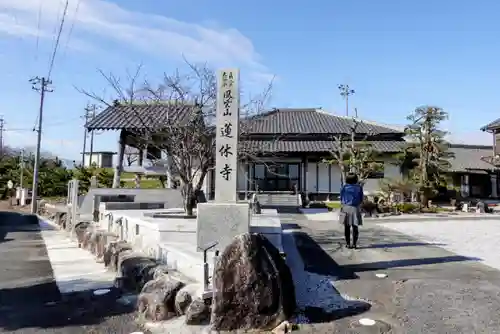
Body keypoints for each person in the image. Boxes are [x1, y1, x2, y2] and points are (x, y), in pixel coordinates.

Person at [339, 173, 364, 249]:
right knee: (355, 227)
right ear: (356, 179)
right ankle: (354, 244)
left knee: (347, 227)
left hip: (346, 207)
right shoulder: (359, 187)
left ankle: (347, 244)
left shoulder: (344, 187)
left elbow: (341, 198)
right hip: (355, 208)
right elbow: (361, 198)